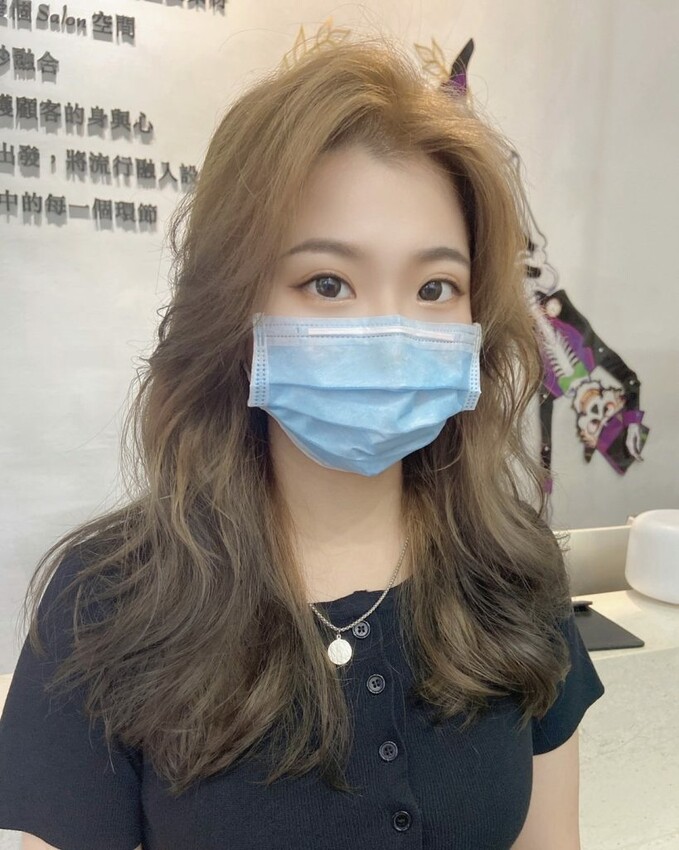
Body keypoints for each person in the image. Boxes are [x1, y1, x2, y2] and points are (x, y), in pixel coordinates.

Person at [0, 36, 604, 850]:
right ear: (236, 307)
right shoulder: (106, 600)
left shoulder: (511, 570)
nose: (387, 334)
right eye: (327, 283)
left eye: (434, 287)